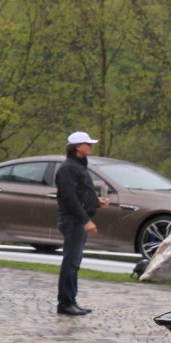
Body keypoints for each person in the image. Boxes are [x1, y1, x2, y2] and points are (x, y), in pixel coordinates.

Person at [55, 130, 105, 316]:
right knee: (71, 262)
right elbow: (69, 198)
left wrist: (96, 202)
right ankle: (65, 303)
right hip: (73, 220)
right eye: (87, 143)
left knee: (74, 263)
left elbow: (81, 193)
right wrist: (86, 220)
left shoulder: (79, 166)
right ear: (77, 147)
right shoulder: (68, 168)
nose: (91, 146)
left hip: (78, 220)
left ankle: (71, 301)